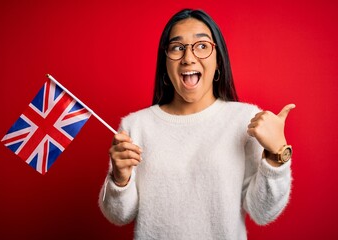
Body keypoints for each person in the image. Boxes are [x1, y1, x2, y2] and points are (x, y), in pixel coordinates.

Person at [98, 8, 294, 240]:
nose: (188, 58)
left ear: (218, 60)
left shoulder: (245, 120)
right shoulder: (135, 125)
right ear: (165, 64)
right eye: (177, 48)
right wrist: (120, 180)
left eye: (201, 46)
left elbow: (262, 212)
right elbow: (119, 216)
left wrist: (276, 155)